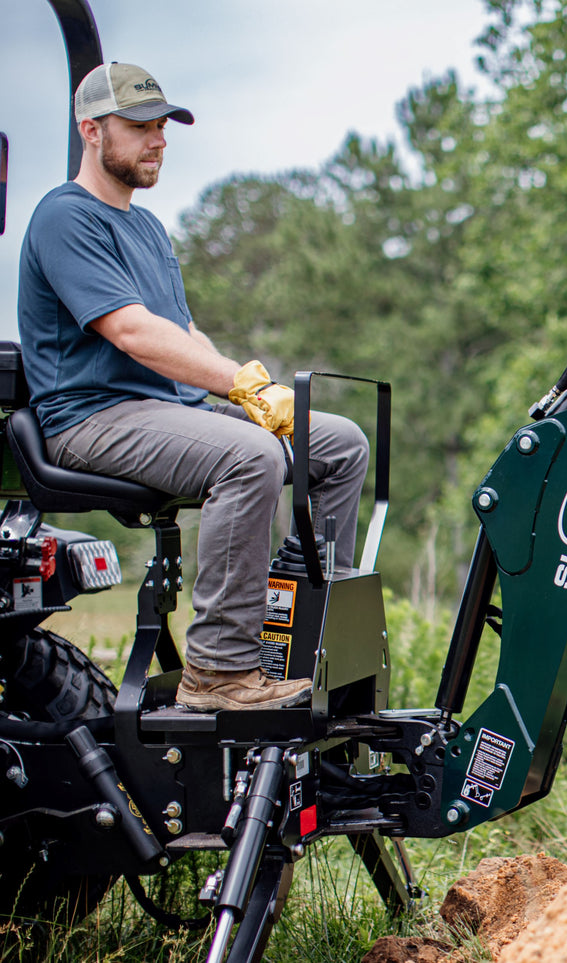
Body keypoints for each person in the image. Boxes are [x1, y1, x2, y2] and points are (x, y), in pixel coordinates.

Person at [17, 63, 369, 711]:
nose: (159, 140)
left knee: (339, 442)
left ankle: (297, 635)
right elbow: (133, 333)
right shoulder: (65, 218)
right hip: (94, 417)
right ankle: (219, 670)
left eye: (163, 126)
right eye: (142, 127)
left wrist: (250, 395)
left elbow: (181, 331)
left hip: (165, 410)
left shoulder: (146, 227)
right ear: (92, 130)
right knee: (252, 455)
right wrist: (239, 383)